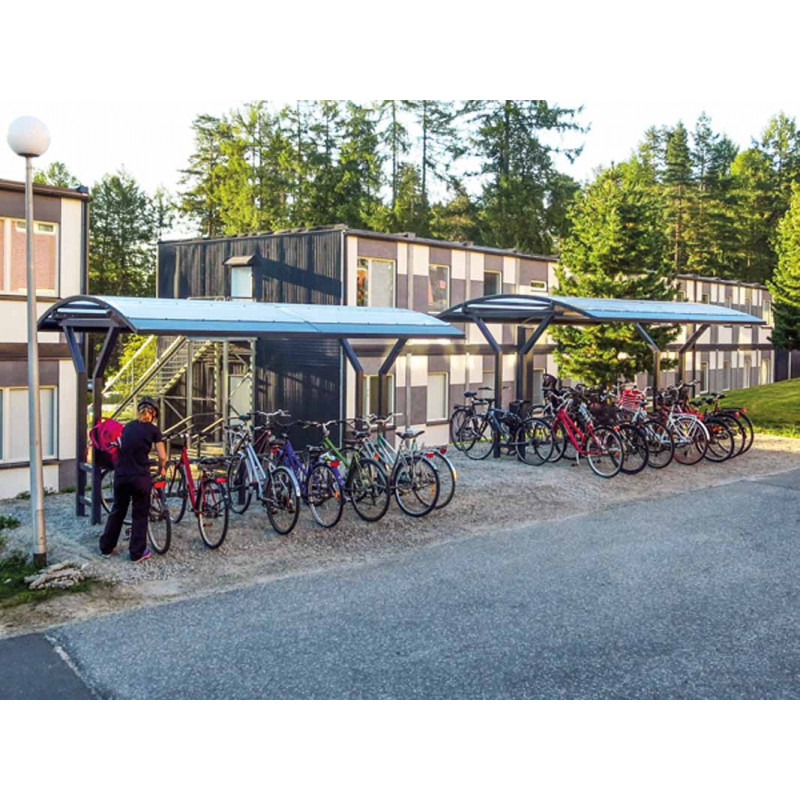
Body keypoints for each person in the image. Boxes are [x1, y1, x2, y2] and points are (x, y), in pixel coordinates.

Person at [100, 397, 167, 563]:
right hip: (140, 477)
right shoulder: (153, 430)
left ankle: (106, 547)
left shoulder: (128, 427)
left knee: (118, 510)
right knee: (140, 513)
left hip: (121, 475)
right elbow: (162, 455)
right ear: (153, 414)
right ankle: (137, 553)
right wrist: (162, 468)